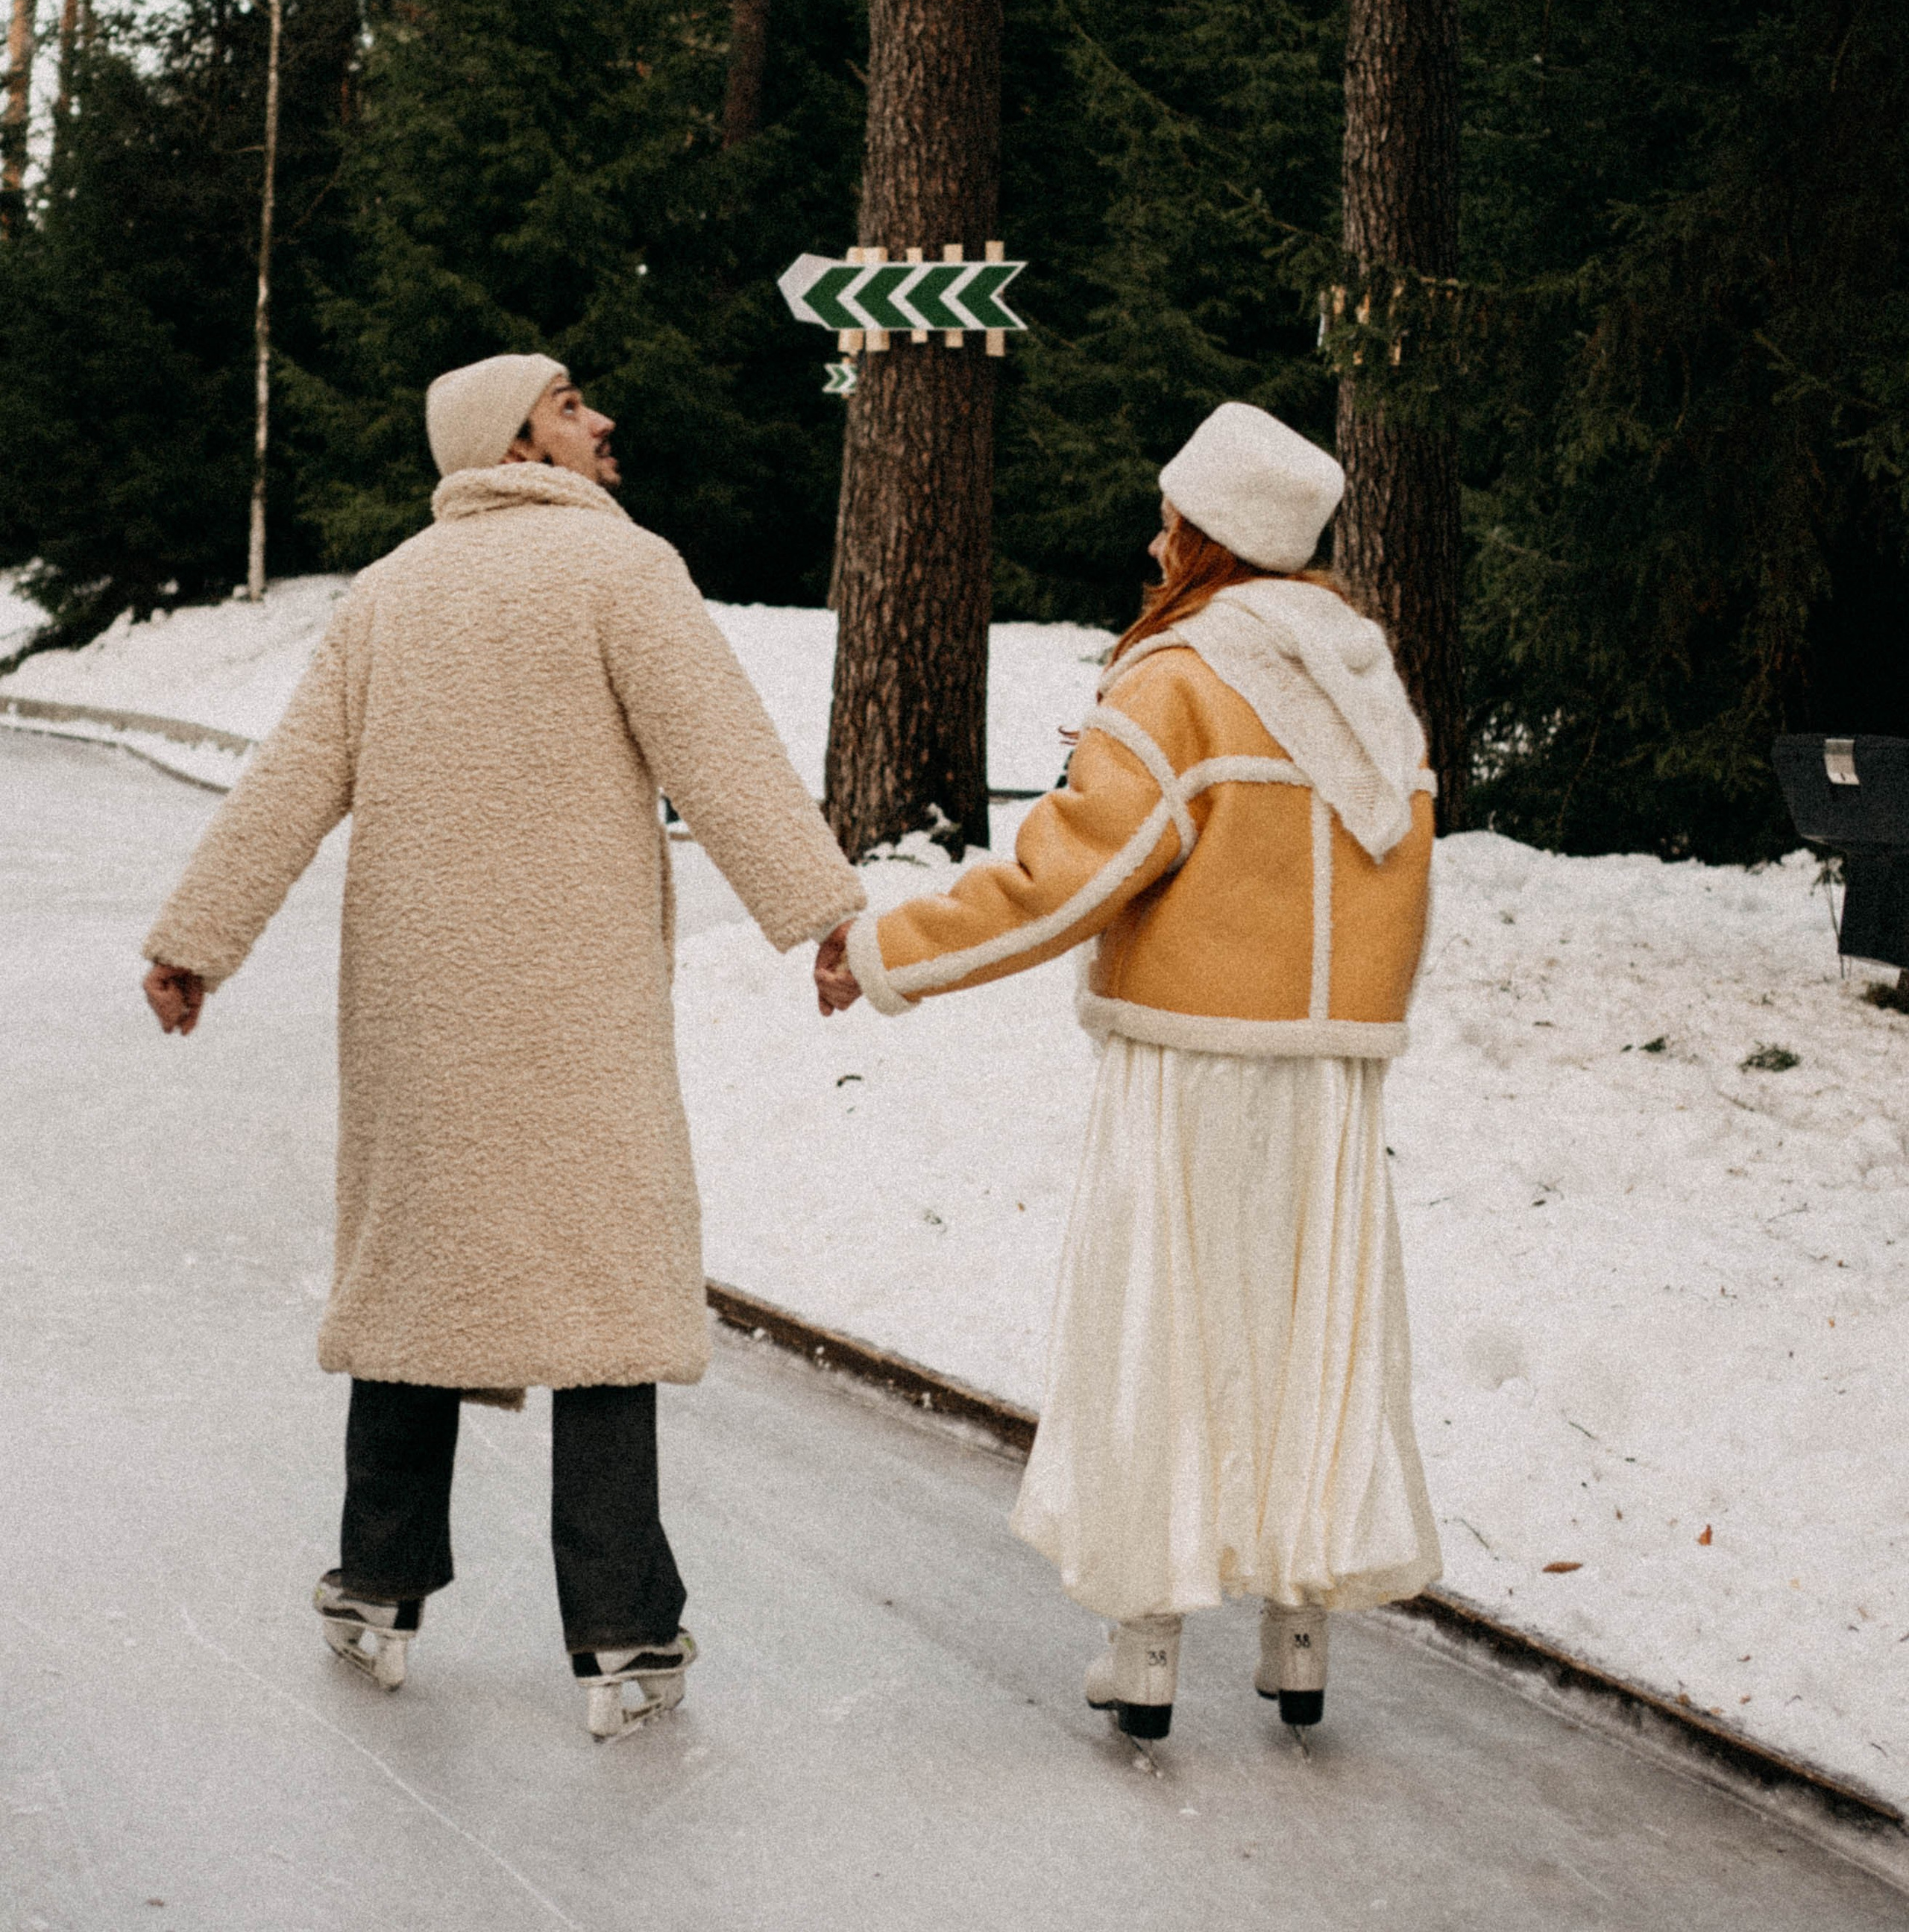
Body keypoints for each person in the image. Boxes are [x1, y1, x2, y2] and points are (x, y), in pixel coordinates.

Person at [144, 352, 864, 1740]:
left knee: (422, 1267)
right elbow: (724, 752)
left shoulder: (390, 594)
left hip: (421, 999)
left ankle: (375, 1587)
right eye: (571, 406)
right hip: (576, 997)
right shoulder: (623, 570)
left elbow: (289, 783)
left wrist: (197, 940)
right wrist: (820, 914)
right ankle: (624, 1634)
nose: (604, 423)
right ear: (515, 447)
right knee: (601, 1291)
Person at [814, 400, 1441, 1740]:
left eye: (1173, 520)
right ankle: (1300, 1635)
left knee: (1164, 1330)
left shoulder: (1181, 679)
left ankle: (1145, 1649)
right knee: (1309, 1342)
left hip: (1189, 1065)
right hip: (1331, 1083)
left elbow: (1065, 880)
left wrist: (887, 953)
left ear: (1207, 534)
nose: (1156, 543)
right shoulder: (1367, 674)